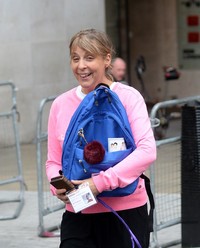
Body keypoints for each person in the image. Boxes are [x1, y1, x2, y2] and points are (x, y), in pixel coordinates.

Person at [46, 28, 156, 248]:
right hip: (78, 213)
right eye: (75, 59)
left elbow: (147, 151)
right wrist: (57, 185)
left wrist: (98, 183)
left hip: (125, 212)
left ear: (107, 59)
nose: (81, 66)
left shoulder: (128, 97)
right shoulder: (60, 104)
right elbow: (53, 161)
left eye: (89, 58)